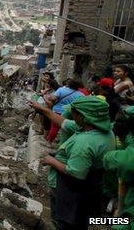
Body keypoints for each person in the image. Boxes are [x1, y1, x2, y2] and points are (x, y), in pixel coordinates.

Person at [29, 96, 115, 230]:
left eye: (74, 112)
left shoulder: (85, 143)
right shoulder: (104, 132)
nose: (71, 115)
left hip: (72, 193)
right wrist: (42, 109)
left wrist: (51, 161)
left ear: (83, 116)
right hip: (91, 190)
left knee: (64, 223)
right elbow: (63, 122)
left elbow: (76, 173)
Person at [44, 79, 85, 143]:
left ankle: (49, 142)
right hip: (71, 113)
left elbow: (53, 98)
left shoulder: (61, 90)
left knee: (54, 127)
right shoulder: (81, 95)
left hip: (58, 111)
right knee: (66, 129)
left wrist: (48, 97)